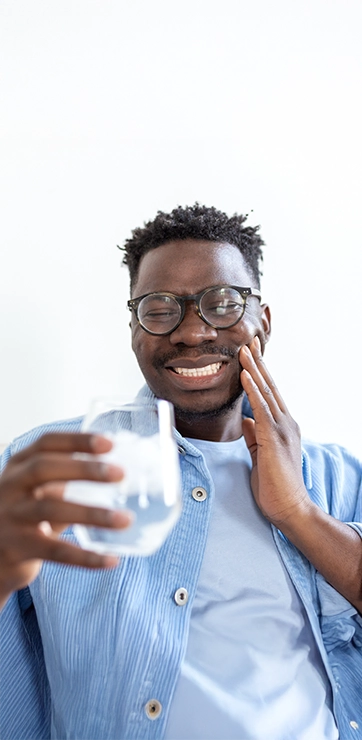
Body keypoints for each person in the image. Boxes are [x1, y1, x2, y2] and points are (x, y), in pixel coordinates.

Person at [0, 204, 362, 740]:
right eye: (160, 308)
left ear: (262, 321)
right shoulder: (52, 464)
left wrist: (299, 514)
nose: (192, 333)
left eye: (222, 304)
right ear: (133, 329)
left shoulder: (339, 478)